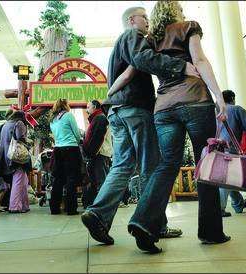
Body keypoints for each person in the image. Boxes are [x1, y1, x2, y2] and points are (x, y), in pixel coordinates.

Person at [104, 1, 230, 252]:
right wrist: (219, 96)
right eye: (181, 9)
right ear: (176, 12)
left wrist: (109, 94)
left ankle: (143, 222)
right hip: (195, 101)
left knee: (166, 165)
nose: (183, 13)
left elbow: (131, 71)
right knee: (205, 161)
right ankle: (211, 231)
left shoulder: (151, 39)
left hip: (163, 108)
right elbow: (200, 60)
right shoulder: (188, 27)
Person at [81, 5, 200, 247]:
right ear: (132, 20)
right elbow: (144, 59)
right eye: (144, 17)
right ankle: (152, 224)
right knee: (151, 166)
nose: (148, 21)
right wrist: (180, 66)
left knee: (122, 165)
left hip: (117, 111)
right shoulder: (132, 36)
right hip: (136, 109)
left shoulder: (121, 44)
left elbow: (126, 73)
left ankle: (97, 214)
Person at [217, 90, 246, 217]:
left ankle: (238, 204)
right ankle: (220, 209)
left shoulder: (215, 110)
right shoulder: (236, 109)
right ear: (232, 98)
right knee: (226, 180)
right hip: (230, 149)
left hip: (215, 149)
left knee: (229, 178)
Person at [0, 109, 31, 214]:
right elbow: (20, 138)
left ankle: (24, 205)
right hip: (17, 156)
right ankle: (15, 206)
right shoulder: (19, 123)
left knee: (23, 181)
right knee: (18, 181)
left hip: (6, 155)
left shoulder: (6, 125)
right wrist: (28, 142)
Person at [49, 99, 82, 215]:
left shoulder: (52, 120)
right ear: (65, 106)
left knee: (58, 179)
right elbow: (77, 134)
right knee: (71, 179)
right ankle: (71, 208)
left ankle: (54, 208)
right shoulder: (68, 115)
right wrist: (77, 142)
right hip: (71, 149)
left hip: (57, 150)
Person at [82, 100, 112, 209]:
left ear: (94, 106)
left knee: (100, 182)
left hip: (99, 154)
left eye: (88, 106)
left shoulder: (100, 118)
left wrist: (91, 153)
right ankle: (97, 205)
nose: (87, 109)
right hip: (99, 154)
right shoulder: (98, 118)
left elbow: (98, 138)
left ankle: (101, 207)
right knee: (98, 181)